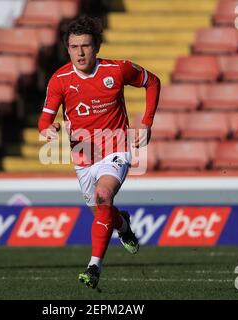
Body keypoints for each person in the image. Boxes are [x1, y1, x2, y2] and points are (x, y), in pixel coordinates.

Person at [37, 16, 160, 289]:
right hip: (82, 157)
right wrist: (47, 129)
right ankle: (123, 224)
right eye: (73, 46)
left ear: (97, 46)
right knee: (103, 213)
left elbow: (153, 82)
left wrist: (147, 122)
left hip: (115, 148)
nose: (80, 53)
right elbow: (44, 120)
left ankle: (94, 267)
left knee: (104, 195)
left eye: (86, 46)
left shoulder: (117, 70)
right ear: (67, 48)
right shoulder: (59, 80)